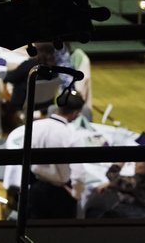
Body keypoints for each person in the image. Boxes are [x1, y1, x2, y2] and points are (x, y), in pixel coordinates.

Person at [25, 88, 88, 219]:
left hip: (35, 188)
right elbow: (79, 173)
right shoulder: (71, 136)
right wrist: (77, 192)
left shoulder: (35, 126)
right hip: (59, 195)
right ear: (76, 113)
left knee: (32, 229)